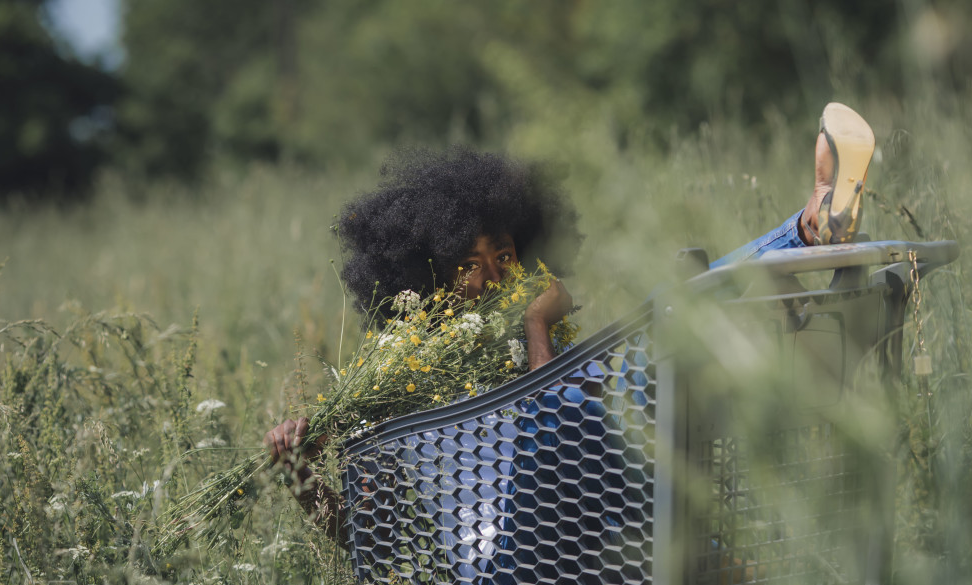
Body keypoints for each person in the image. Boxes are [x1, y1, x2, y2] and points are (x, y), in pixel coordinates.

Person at [264, 102, 876, 542]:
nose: (496, 278)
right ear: (425, 276)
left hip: (586, 523)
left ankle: (808, 227)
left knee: (663, 317)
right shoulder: (405, 373)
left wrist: (537, 334)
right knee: (653, 345)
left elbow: (580, 450)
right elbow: (364, 537)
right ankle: (798, 343)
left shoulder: (500, 337)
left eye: (504, 255)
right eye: (468, 267)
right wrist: (299, 475)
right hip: (512, 557)